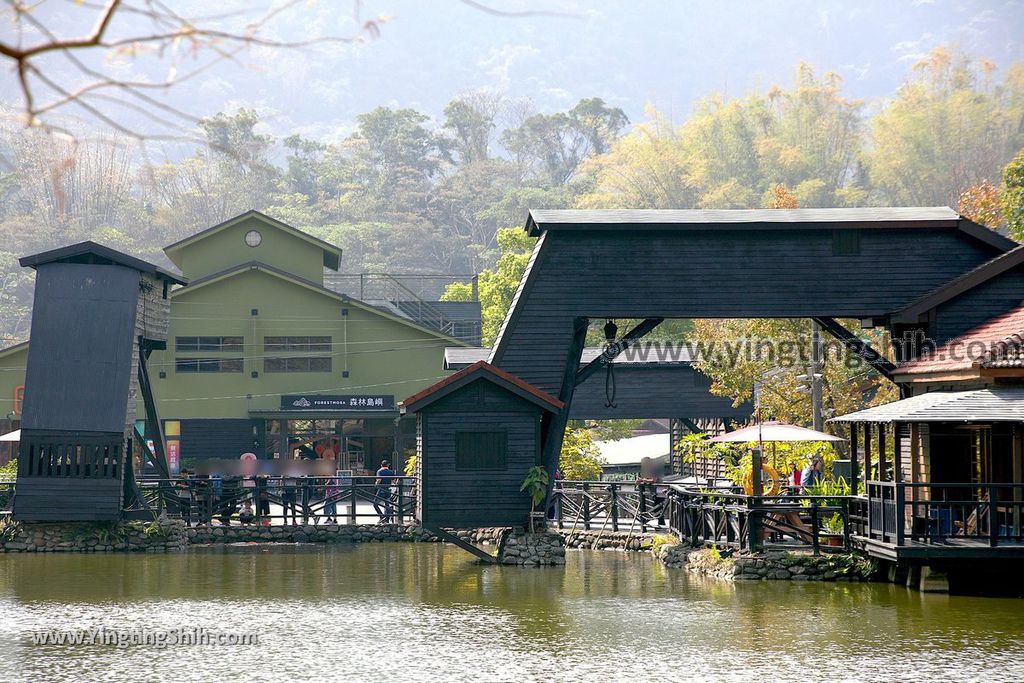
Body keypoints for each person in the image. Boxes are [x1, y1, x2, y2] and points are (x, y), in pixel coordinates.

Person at [374, 459, 396, 523]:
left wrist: (376, 484)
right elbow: (394, 481)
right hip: (388, 489)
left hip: (381, 489)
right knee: (387, 504)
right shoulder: (391, 472)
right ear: (388, 465)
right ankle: (387, 519)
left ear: (381, 465)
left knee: (375, 504)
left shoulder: (379, 471)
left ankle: (382, 516)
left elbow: (379, 480)